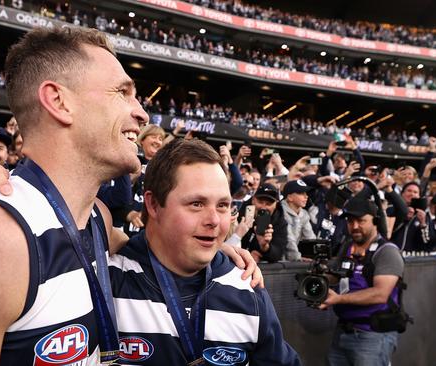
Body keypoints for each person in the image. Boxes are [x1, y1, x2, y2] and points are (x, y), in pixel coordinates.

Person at [0, 27, 258, 364]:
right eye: (122, 92)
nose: (142, 114)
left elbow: (147, 248)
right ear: (58, 101)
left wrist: (209, 249)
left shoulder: (97, 220)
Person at [110, 138, 300, 365]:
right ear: (152, 204)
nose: (214, 221)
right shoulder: (106, 279)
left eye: (222, 205)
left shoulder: (246, 285)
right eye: (197, 204)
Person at [320, 195, 406, 366]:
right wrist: (319, 279)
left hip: (372, 335)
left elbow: (380, 294)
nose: (355, 226)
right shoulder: (348, 247)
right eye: (350, 221)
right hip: (343, 331)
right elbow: (337, 275)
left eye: (361, 221)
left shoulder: (387, 251)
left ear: (375, 220)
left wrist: (337, 299)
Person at [239, 183, 288, 263]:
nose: (263, 207)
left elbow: (278, 254)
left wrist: (264, 247)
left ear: (276, 204)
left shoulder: (280, 222)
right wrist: (246, 255)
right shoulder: (240, 215)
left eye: (268, 204)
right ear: (253, 200)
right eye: (260, 202)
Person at [281, 179, 316, 260]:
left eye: (306, 193)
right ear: (289, 197)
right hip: (277, 260)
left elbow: (310, 238)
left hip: (291, 259)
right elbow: (289, 239)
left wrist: (316, 254)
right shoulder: (280, 211)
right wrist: (297, 257)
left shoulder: (304, 213)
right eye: (301, 193)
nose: (306, 196)